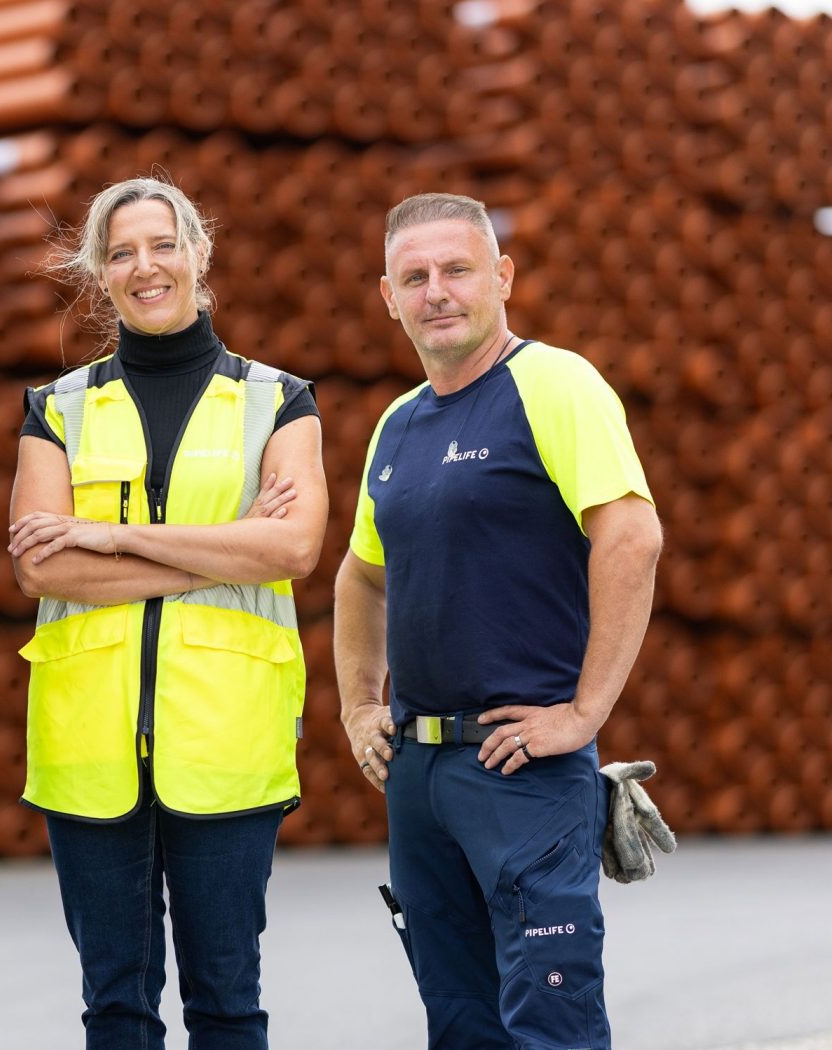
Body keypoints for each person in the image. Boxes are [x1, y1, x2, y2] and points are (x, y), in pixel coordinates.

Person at [334, 192, 663, 1049]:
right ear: (387, 296)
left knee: (549, 1023)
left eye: (456, 270)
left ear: (502, 276)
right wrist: (359, 707)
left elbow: (631, 536)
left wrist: (584, 715)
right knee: (460, 1020)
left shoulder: (553, 383)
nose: (436, 291)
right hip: (420, 774)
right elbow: (361, 578)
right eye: (415, 277)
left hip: (522, 767)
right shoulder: (397, 424)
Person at [7, 177, 328, 1049]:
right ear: (98, 273)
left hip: (227, 739)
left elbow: (293, 549)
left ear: (198, 255)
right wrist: (218, 549)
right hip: (89, 745)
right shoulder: (57, 409)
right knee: (115, 1005)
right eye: (120, 252)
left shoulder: (278, 400)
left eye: (162, 245)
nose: (145, 267)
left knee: (227, 1002)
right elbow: (42, 567)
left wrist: (108, 540)